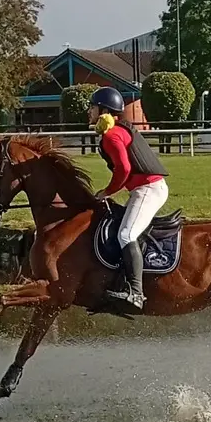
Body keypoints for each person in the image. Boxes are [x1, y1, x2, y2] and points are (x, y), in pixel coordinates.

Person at [88, 87, 169, 311]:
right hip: (145, 189)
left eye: (93, 107)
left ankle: (136, 293)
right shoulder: (117, 131)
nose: (90, 111)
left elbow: (123, 169)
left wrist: (107, 191)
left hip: (148, 189)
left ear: (103, 110)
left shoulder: (112, 135)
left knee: (126, 234)